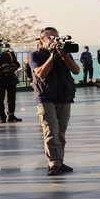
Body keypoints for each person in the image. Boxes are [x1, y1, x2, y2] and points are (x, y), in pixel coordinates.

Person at [29, 27, 80, 176]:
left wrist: (63, 56)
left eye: (56, 37)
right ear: (42, 40)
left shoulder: (64, 53)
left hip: (64, 95)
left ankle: (59, 161)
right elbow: (41, 73)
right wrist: (52, 56)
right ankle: (53, 163)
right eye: (51, 38)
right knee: (51, 131)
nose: (54, 40)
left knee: (61, 132)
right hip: (45, 97)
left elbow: (76, 70)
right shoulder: (35, 55)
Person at [0, 39, 22, 123]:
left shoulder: (9, 54)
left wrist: (12, 67)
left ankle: (11, 115)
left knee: (11, 98)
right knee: (0, 100)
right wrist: (0, 71)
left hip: (11, 79)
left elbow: (17, 64)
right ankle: (2, 117)